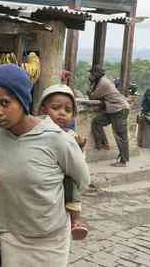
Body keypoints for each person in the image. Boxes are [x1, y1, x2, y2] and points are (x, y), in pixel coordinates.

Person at [0, 64, 90, 267]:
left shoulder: (57, 139)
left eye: (5, 103)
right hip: (11, 236)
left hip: (49, 239)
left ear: (23, 100)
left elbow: (82, 180)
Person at [37, 84, 88, 241]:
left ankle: (75, 220)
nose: (62, 113)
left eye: (67, 110)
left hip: (63, 186)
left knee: (73, 185)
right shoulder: (36, 132)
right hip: (40, 188)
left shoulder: (71, 136)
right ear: (43, 110)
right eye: (56, 108)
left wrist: (79, 147)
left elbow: (79, 167)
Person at [87, 66, 131, 167]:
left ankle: (123, 161)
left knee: (120, 136)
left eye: (92, 74)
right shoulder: (100, 81)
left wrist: (91, 87)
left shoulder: (103, 83)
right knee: (97, 122)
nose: (90, 76)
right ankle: (103, 144)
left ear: (97, 74)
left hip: (119, 110)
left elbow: (92, 96)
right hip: (113, 110)